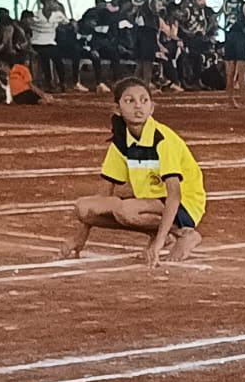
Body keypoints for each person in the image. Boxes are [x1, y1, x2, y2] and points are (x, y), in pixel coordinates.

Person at [58, 77, 207, 267]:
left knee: (125, 210)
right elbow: (104, 194)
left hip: (184, 204)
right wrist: (79, 237)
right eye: (130, 101)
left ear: (152, 108)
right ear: (118, 109)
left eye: (144, 101)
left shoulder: (162, 139)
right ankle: (160, 233)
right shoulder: (121, 142)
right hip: (150, 203)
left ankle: (183, 233)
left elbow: (174, 195)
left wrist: (158, 246)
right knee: (84, 208)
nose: (139, 106)